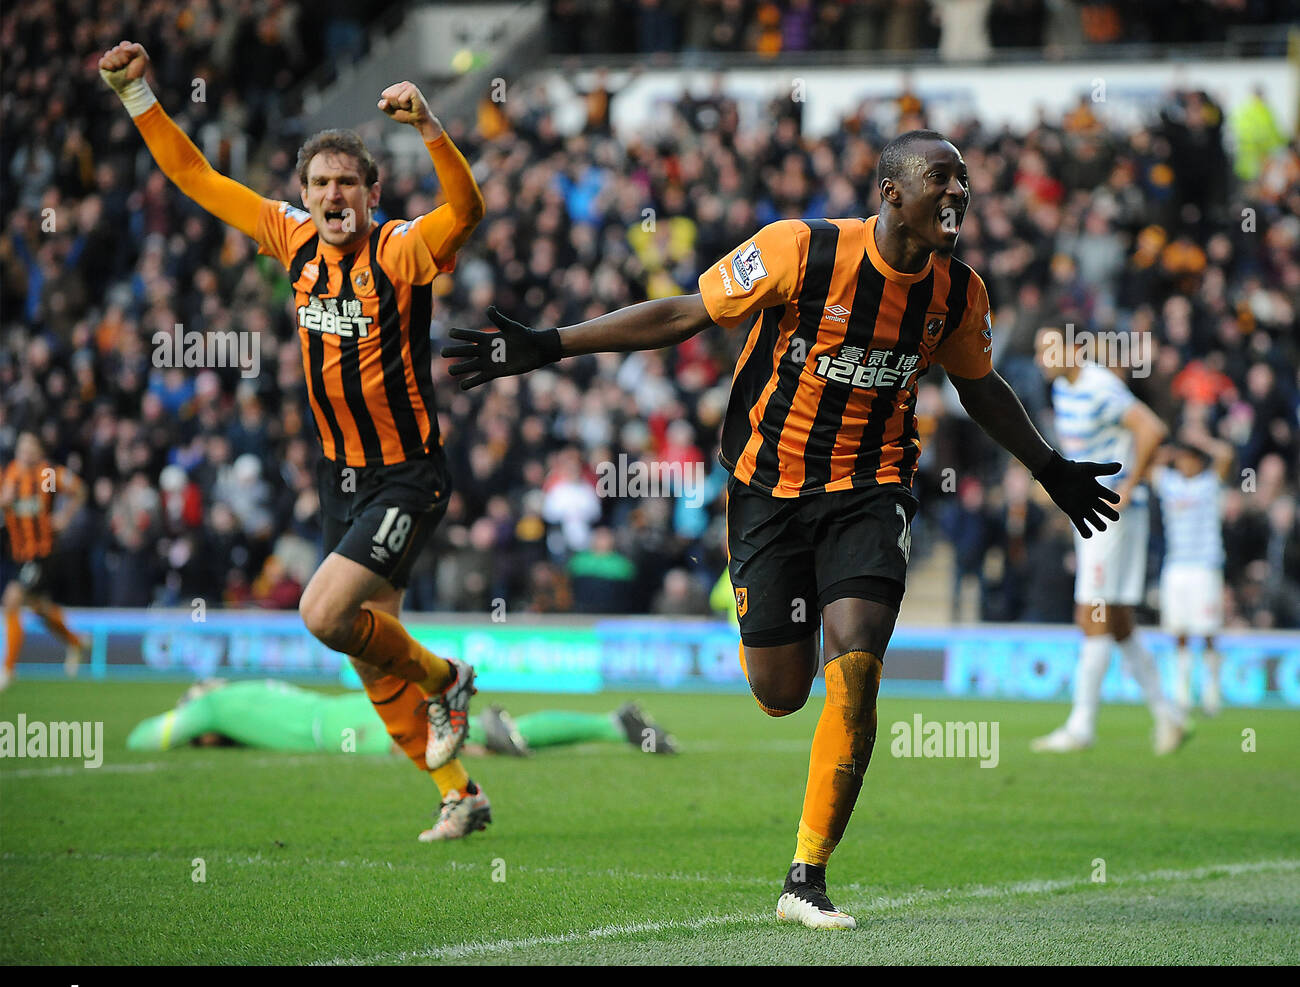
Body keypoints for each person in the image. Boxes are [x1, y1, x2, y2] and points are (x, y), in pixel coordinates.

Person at [442, 129, 1123, 928]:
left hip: (871, 489)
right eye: (942, 178)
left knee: (859, 662)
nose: (959, 193)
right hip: (767, 488)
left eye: (964, 181)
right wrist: (552, 344)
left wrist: (1048, 466)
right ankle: (771, 643)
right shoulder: (798, 250)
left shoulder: (958, 292)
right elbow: (684, 312)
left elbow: (981, 386)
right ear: (892, 191)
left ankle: (807, 874)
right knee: (779, 692)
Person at [99, 41, 489, 842]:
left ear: (372, 194)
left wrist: (431, 128)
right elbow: (196, 179)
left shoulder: (399, 250)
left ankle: (449, 677)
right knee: (363, 647)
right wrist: (136, 92)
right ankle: (459, 791)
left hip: (408, 473)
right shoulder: (290, 239)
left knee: (322, 612)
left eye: (347, 181)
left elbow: (467, 211)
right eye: (320, 183)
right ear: (303, 195)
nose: (332, 194)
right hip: (340, 476)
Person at [1031, 326, 1186, 756]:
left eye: (1050, 348)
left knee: (1091, 612)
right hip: (1096, 512)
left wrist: (1129, 488)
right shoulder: (1064, 388)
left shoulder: (1099, 387)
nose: (1043, 357)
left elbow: (1151, 428)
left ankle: (1081, 726)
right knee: (1116, 618)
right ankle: (1167, 713)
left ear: (1072, 349)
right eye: (1038, 350)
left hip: (1110, 515)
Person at [126, 680, 678, 766]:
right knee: (480, 743)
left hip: (349, 729)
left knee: (475, 746)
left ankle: (612, 724)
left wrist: (197, 722)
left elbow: (144, 737)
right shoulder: (250, 689)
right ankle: (612, 724)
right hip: (355, 707)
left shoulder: (214, 703)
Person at [1152, 431, 1233, 716]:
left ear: (1199, 462)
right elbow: (1149, 462)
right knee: (1180, 631)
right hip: (1176, 566)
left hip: (1205, 566)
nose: (1185, 465)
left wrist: (1201, 440)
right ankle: (1183, 693)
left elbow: (1226, 455)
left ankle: (1212, 691)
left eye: (1190, 459)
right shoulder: (1170, 484)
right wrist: (1170, 452)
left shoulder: (1209, 485)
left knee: (1208, 630)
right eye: (1182, 460)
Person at [0, 431, 89, 690]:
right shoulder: (8, 476)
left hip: (43, 552)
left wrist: (64, 517)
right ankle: (75, 641)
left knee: (12, 599)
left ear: (39, 451)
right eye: (22, 446)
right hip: (17, 554)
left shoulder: (48, 475)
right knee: (38, 608)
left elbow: (79, 489)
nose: (26, 451)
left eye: (31, 446)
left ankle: (7, 669)